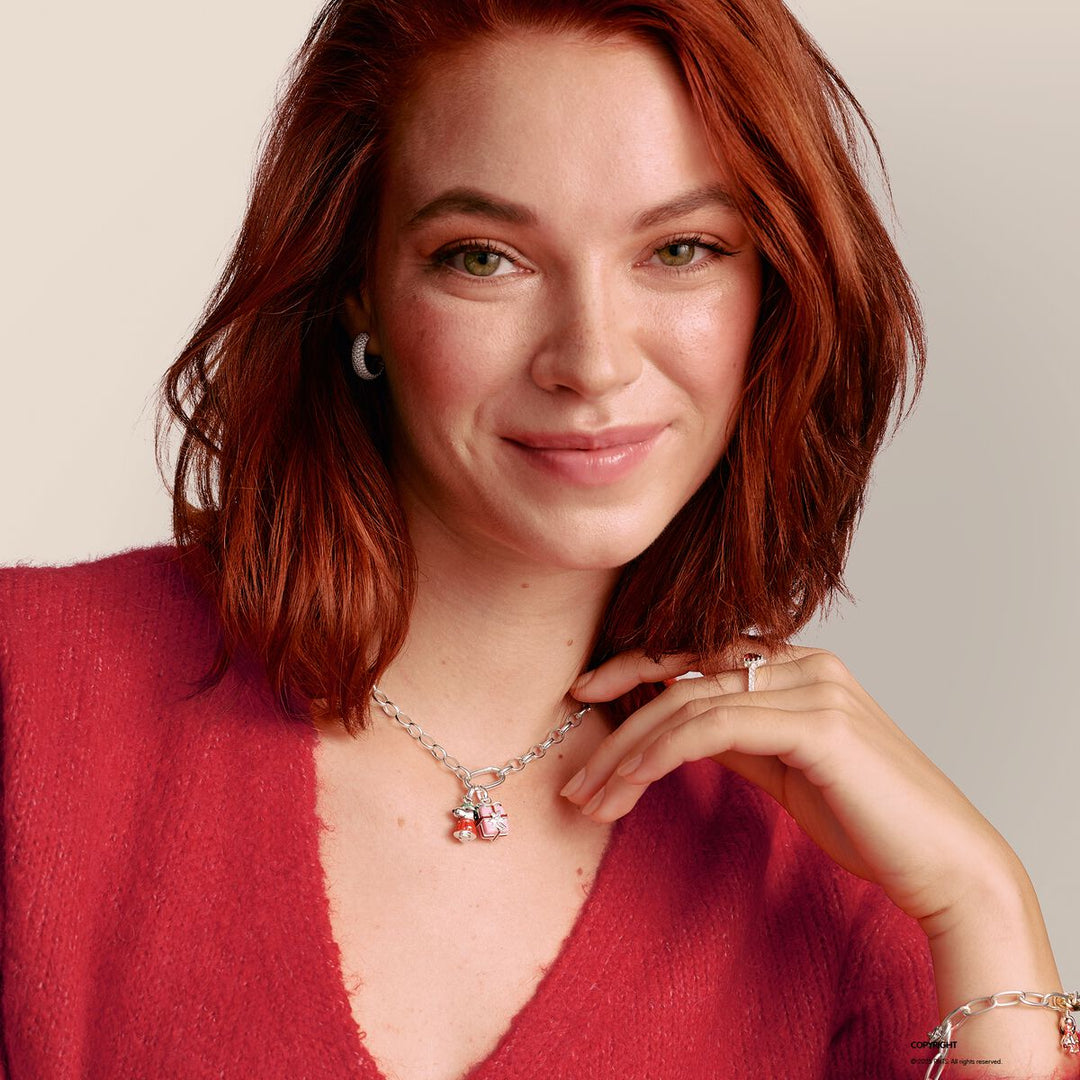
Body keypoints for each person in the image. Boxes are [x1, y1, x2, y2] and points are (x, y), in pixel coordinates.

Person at [0, 1, 1076, 1078]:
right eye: (485, 258)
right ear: (356, 289)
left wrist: (980, 898)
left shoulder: (843, 879)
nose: (592, 361)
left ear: (775, 295)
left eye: (681, 249)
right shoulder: (30, 696)